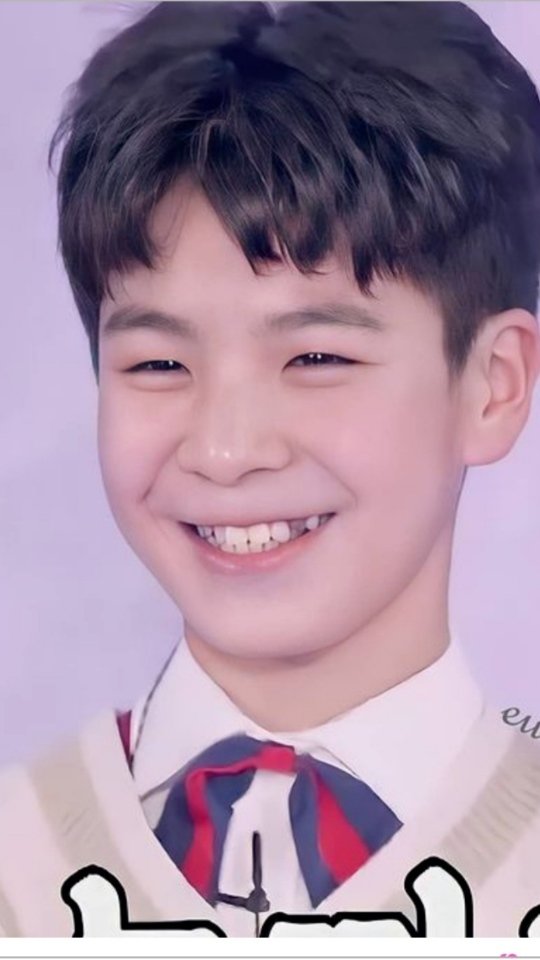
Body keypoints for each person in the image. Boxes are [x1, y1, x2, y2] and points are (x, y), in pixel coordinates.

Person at [1, 0, 540, 938]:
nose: (224, 449)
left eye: (316, 357)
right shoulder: (20, 859)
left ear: (492, 387)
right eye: (158, 364)